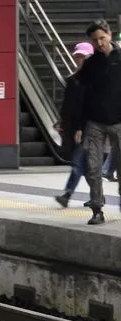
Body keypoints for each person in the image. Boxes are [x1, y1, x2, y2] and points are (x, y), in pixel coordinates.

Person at [74, 19, 121, 225]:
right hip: (95, 122)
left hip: (119, 121)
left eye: (102, 38)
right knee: (93, 168)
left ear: (109, 34)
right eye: (95, 40)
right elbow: (81, 96)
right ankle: (97, 209)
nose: (100, 43)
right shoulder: (91, 64)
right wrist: (78, 125)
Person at [55, 42, 93, 207]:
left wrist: (80, 128)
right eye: (77, 56)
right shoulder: (73, 79)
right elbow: (68, 104)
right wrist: (61, 120)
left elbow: (87, 106)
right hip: (72, 126)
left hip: (87, 127)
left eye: (83, 56)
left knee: (77, 162)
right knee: (85, 167)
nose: (79, 59)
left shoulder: (93, 80)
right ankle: (97, 195)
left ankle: (67, 194)